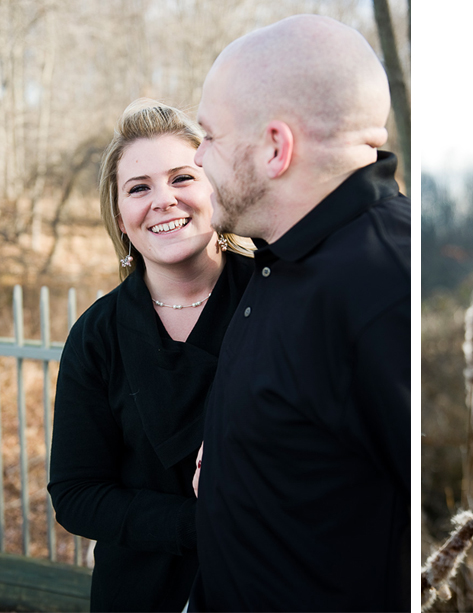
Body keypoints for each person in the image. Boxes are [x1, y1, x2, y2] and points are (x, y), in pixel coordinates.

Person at [188, 14, 411, 612]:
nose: (198, 158)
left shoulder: (388, 289)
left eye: (209, 135)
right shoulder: (279, 258)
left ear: (275, 148)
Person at [48, 99, 254, 612]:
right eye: (139, 188)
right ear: (120, 217)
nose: (163, 200)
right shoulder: (97, 335)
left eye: (182, 177)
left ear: (213, 187)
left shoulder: (276, 298)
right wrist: (203, 526)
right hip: (142, 592)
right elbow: (77, 494)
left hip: (273, 580)